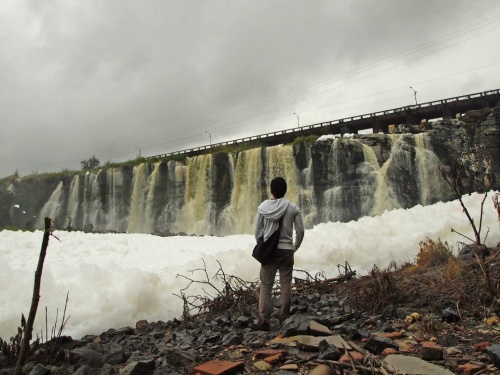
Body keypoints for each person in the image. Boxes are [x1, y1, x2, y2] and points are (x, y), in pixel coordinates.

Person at [251, 176, 304, 331]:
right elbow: (300, 231)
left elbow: (258, 232)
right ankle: (284, 316)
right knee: (285, 284)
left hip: (270, 252)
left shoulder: (263, 207)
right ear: (285, 190)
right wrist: (294, 247)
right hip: (287, 250)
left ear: (271, 190)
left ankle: (264, 320)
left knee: (266, 286)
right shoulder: (293, 207)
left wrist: (262, 244)